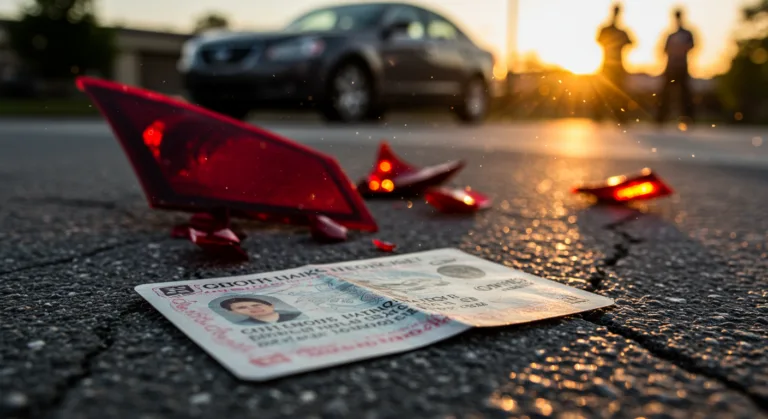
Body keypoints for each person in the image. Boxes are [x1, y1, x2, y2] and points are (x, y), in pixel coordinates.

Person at [594, 4, 633, 123]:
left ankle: (620, 116)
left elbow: (631, 42)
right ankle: (599, 116)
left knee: (619, 92)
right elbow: (599, 40)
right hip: (608, 65)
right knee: (603, 91)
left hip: (616, 66)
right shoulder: (609, 30)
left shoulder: (620, 31)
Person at [656, 8, 696, 124]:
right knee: (665, 93)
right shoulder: (670, 35)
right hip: (671, 68)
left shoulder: (687, 34)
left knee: (685, 94)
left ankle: (688, 118)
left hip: (682, 67)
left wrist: (680, 49)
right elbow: (664, 50)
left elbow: (692, 46)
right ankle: (661, 118)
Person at [219, 297, 303, 325]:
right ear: (233, 312)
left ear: (271, 306)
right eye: (242, 307)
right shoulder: (242, 324)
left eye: (256, 305)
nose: (253, 309)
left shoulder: (298, 316)